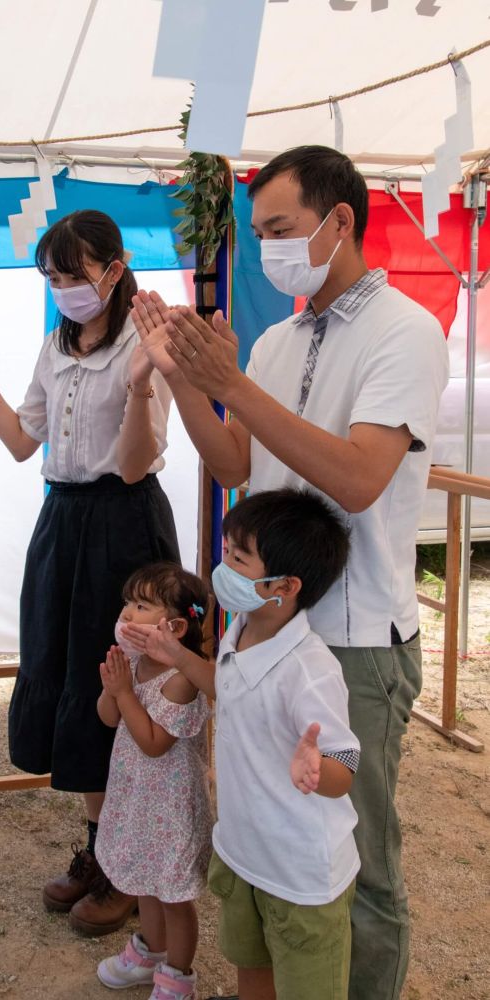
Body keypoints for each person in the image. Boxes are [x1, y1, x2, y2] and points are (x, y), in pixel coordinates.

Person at [131, 146, 450, 999]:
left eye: (279, 229)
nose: (267, 246)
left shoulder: (406, 332)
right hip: (261, 626)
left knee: (357, 859)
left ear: (339, 219)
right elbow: (236, 463)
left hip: (350, 636)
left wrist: (230, 377)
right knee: (266, 829)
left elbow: (355, 477)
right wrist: (183, 379)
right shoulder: (278, 336)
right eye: (260, 230)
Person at [0, 209, 180, 936]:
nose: (61, 288)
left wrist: (141, 384)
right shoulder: (56, 345)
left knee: (116, 681)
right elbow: (22, 441)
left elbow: (137, 463)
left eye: (72, 274)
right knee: (72, 681)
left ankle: (126, 868)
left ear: (112, 270)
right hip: (64, 521)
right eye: (50, 276)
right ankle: (97, 850)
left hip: (124, 522)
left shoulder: (146, 345)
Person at [127, 489, 358, 1000]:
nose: (221, 565)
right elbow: (226, 688)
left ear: (284, 586)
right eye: (226, 550)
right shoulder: (241, 629)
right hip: (243, 854)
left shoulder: (311, 669)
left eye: (237, 557)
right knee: (251, 971)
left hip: (299, 876)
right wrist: (175, 654)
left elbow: (345, 763)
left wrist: (316, 768)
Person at [94, 561, 213, 1000]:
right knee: (145, 881)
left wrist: (124, 692)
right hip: (136, 797)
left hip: (171, 806)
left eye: (142, 605)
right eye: (128, 602)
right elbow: (107, 718)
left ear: (176, 626)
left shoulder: (183, 679)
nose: (127, 613)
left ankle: (178, 977)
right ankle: (149, 953)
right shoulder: (135, 662)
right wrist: (113, 687)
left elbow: (153, 743)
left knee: (174, 897)